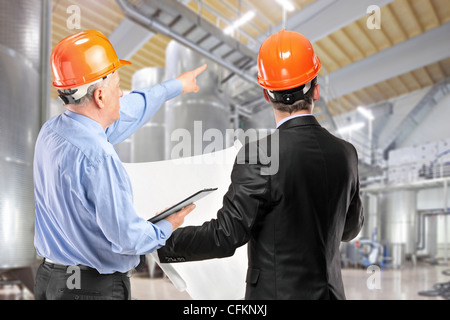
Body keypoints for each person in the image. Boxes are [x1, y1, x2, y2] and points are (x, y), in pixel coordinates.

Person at [157, 30, 364, 300]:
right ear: (316, 89)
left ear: (267, 95)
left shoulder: (260, 154)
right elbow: (350, 230)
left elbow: (226, 235)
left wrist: (160, 240)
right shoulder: (346, 153)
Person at [33, 30, 205, 300]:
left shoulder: (51, 132)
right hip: (91, 290)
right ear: (100, 96)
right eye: (118, 86)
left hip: (49, 280)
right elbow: (127, 239)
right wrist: (168, 224)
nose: (122, 93)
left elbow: (129, 111)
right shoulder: (99, 156)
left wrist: (175, 86)